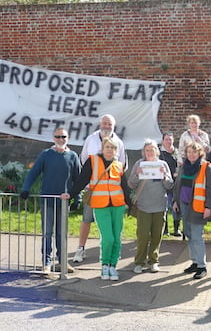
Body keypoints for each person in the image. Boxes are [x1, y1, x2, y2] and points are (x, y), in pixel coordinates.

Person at [64, 137, 130, 281]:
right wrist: (71, 194)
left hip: (117, 206)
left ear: (116, 151)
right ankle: (105, 264)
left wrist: (130, 204)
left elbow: (124, 186)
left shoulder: (119, 165)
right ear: (102, 148)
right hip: (100, 205)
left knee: (117, 239)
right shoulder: (92, 161)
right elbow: (82, 180)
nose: (110, 150)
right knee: (108, 238)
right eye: (107, 147)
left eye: (113, 148)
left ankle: (113, 265)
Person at [20, 127, 81, 274]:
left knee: (62, 234)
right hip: (47, 200)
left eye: (63, 137)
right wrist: (26, 188)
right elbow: (33, 172)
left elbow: (78, 179)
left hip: (64, 201)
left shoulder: (72, 156)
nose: (61, 139)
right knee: (47, 233)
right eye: (58, 136)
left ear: (68, 138)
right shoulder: (46, 155)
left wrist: (77, 198)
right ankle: (46, 263)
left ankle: (62, 262)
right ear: (53, 138)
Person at [73, 114, 126, 263]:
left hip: (112, 194)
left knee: (113, 227)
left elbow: (122, 165)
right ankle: (80, 249)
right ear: (100, 124)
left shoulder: (119, 143)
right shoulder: (90, 139)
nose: (107, 126)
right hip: (93, 189)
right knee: (86, 219)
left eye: (110, 124)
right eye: (104, 123)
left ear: (113, 126)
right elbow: (84, 161)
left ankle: (112, 254)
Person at [128, 140, 174, 274]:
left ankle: (153, 261)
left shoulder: (163, 164)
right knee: (142, 236)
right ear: (144, 152)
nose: (150, 152)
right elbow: (131, 184)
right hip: (143, 206)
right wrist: (137, 174)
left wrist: (164, 175)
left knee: (156, 236)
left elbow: (169, 185)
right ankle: (139, 262)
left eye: (152, 149)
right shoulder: (139, 164)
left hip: (160, 206)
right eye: (147, 150)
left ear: (157, 151)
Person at [173, 142, 211, 279]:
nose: (191, 155)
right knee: (189, 234)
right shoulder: (183, 167)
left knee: (197, 236)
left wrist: (208, 207)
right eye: (189, 152)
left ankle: (202, 266)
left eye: (194, 152)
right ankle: (194, 262)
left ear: (200, 153)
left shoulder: (206, 167)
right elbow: (177, 185)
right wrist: (176, 200)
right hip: (184, 204)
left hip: (198, 206)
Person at [159, 132, 181, 237]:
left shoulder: (177, 152)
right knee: (165, 206)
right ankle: (165, 229)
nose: (168, 141)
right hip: (164, 183)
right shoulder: (160, 153)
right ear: (163, 141)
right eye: (166, 139)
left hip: (176, 183)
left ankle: (176, 229)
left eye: (170, 139)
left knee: (176, 207)